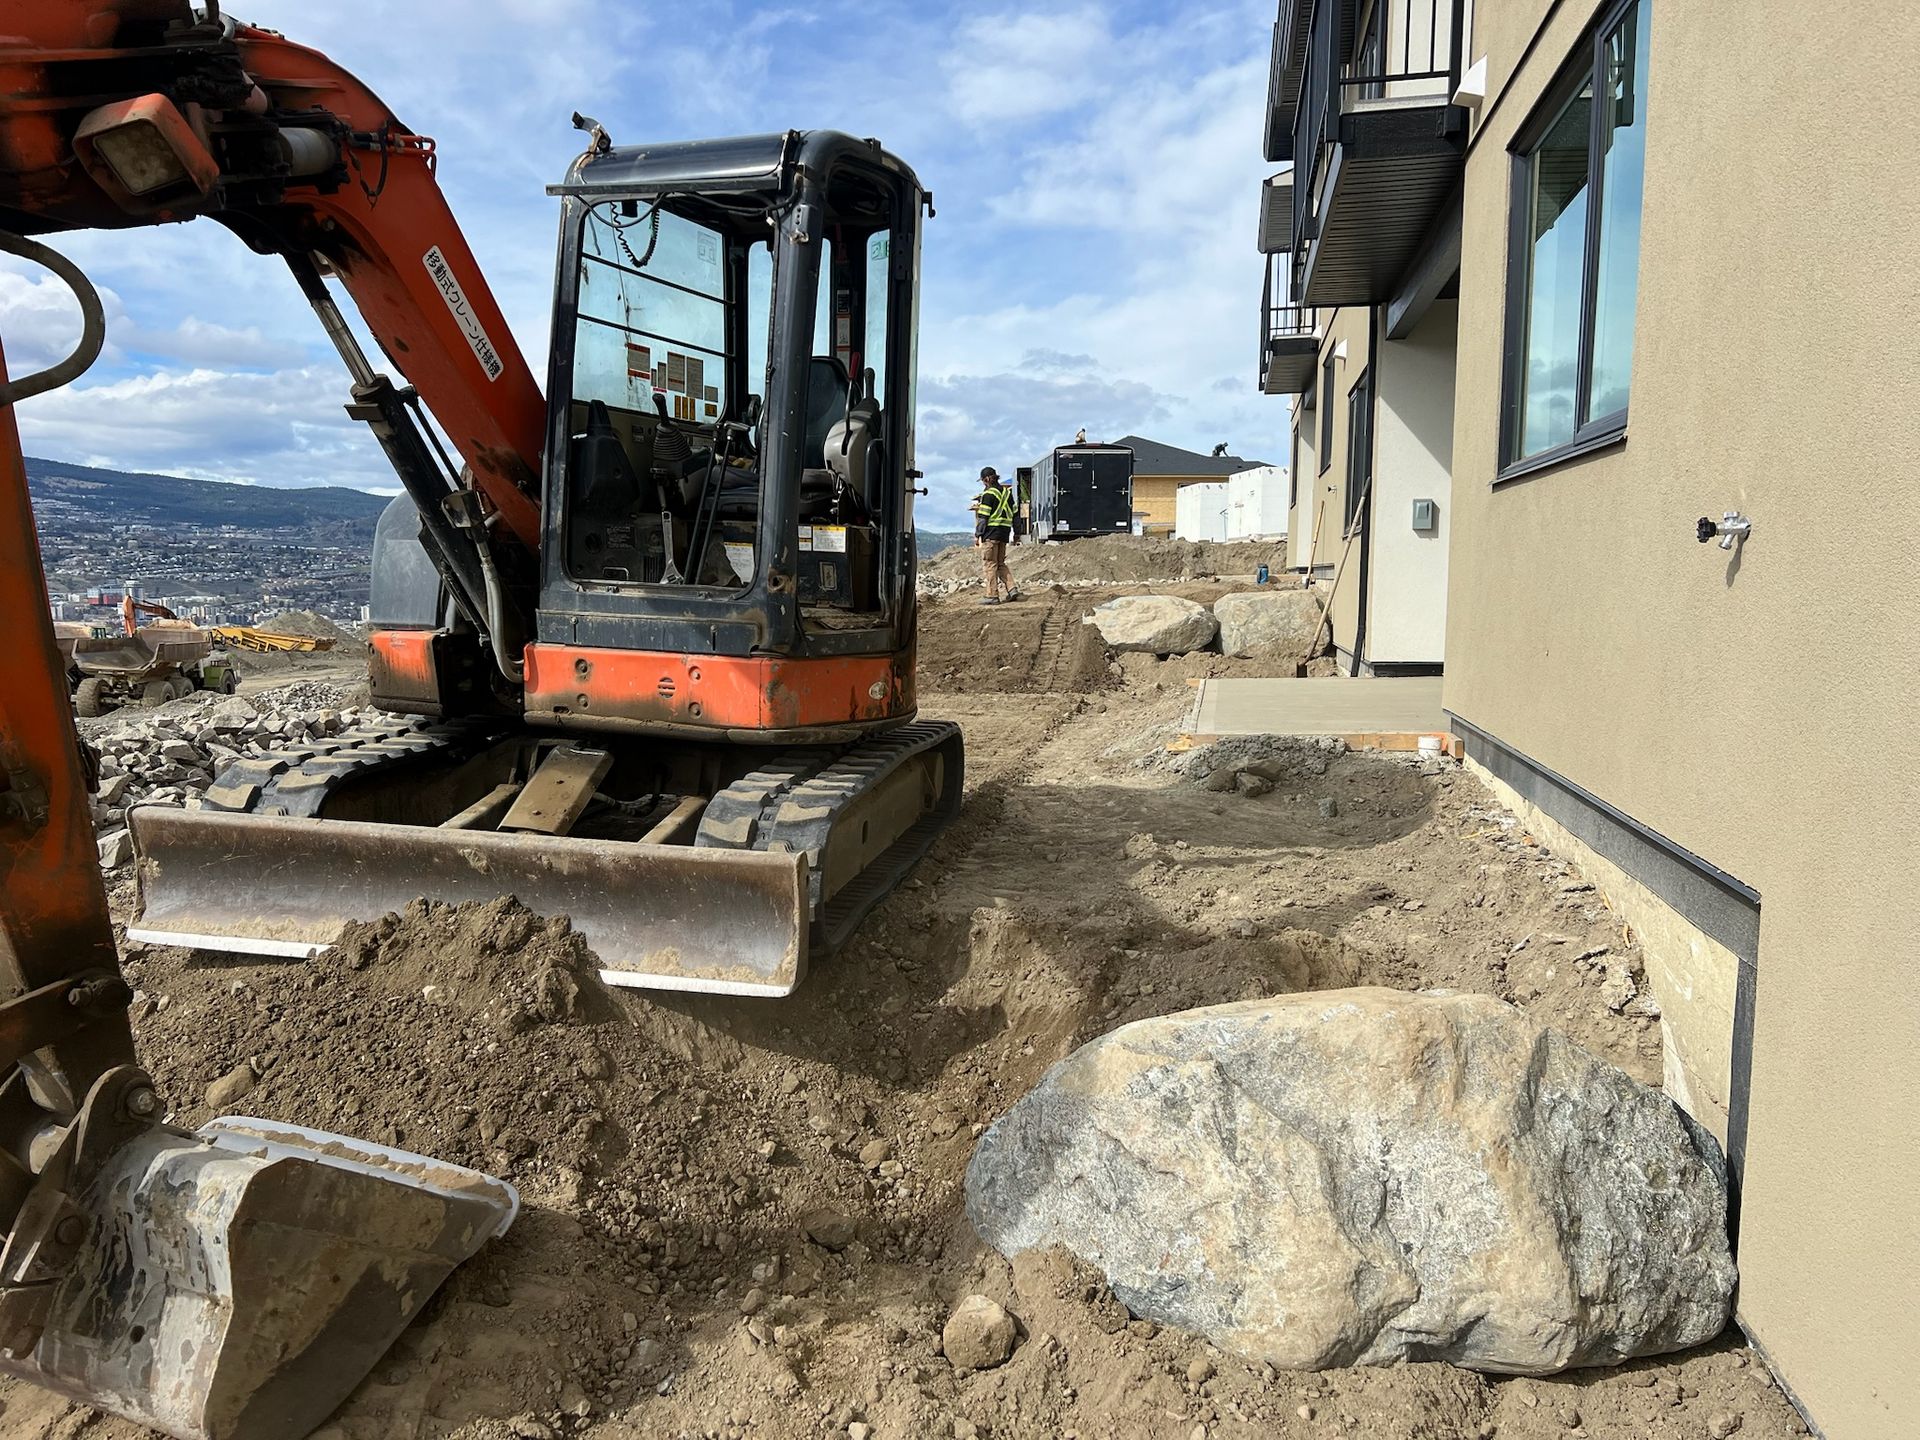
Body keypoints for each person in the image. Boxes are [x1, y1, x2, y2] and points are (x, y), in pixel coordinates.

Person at [971, 466, 1019, 604]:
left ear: (986, 479)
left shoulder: (988, 494)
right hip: (1004, 534)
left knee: (990, 564)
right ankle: (1012, 588)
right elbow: (1016, 515)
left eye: (983, 481)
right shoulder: (1007, 493)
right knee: (1000, 563)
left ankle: (992, 595)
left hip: (991, 534)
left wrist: (978, 535)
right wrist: (1017, 533)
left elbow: (983, 517)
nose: (983, 484)